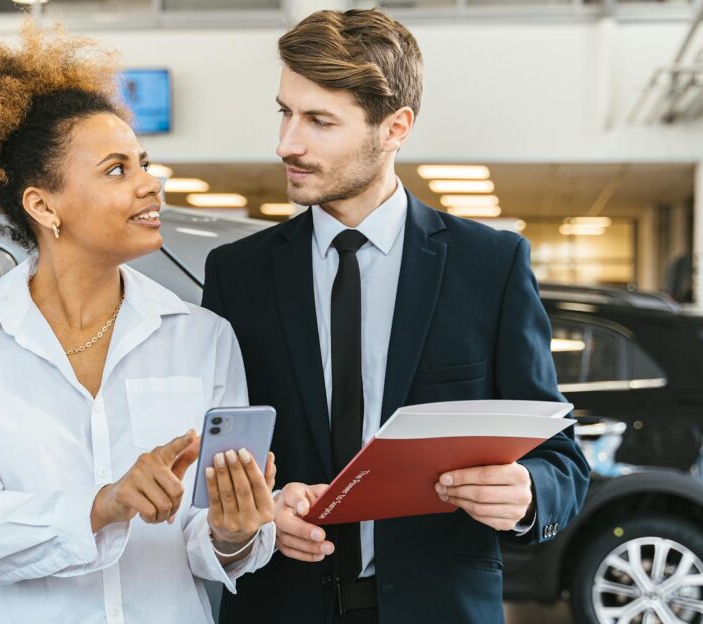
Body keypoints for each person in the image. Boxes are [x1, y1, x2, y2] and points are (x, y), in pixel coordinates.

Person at [202, 9, 591, 624]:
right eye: (285, 112)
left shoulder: (489, 265)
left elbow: (561, 459)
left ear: (395, 127)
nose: (287, 143)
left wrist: (527, 493)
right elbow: (216, 458)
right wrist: (260, 517)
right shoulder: (237, 274)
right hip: (281, 606)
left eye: (318, 121)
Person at [0, 23, 277, 624]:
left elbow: (209, 545)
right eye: (116, 170)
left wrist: (232, 531)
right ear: (43, 205)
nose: (149, 183)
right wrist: (103, 505)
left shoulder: (202, 337)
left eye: (145, 163)